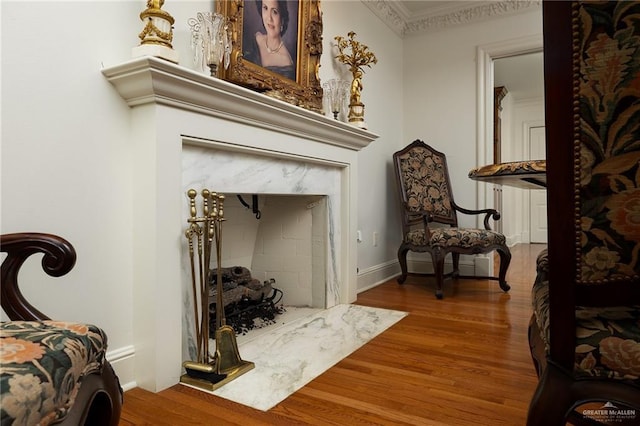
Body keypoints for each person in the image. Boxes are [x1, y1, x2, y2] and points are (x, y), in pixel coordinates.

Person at [243, 0, 296, 81]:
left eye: (274, 12)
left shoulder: (286, 62)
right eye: (265, 8)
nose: (269, 18)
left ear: (282, 19)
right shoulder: (256, 39)